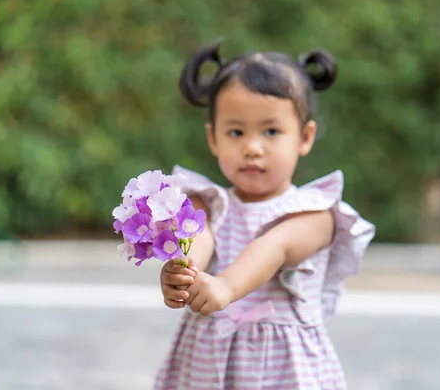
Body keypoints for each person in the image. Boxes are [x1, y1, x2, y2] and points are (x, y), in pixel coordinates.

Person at [154, 40, 376, 389]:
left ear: (304, 137)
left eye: (271, 131)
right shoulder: (204, 201)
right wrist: (185, 274)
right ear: (213, 138)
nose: (252, 148)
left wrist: (226, 285)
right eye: (236, 132)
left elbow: (276, 246)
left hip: (283, 366)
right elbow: (200, 236)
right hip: (208, 361)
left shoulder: (315, 212)